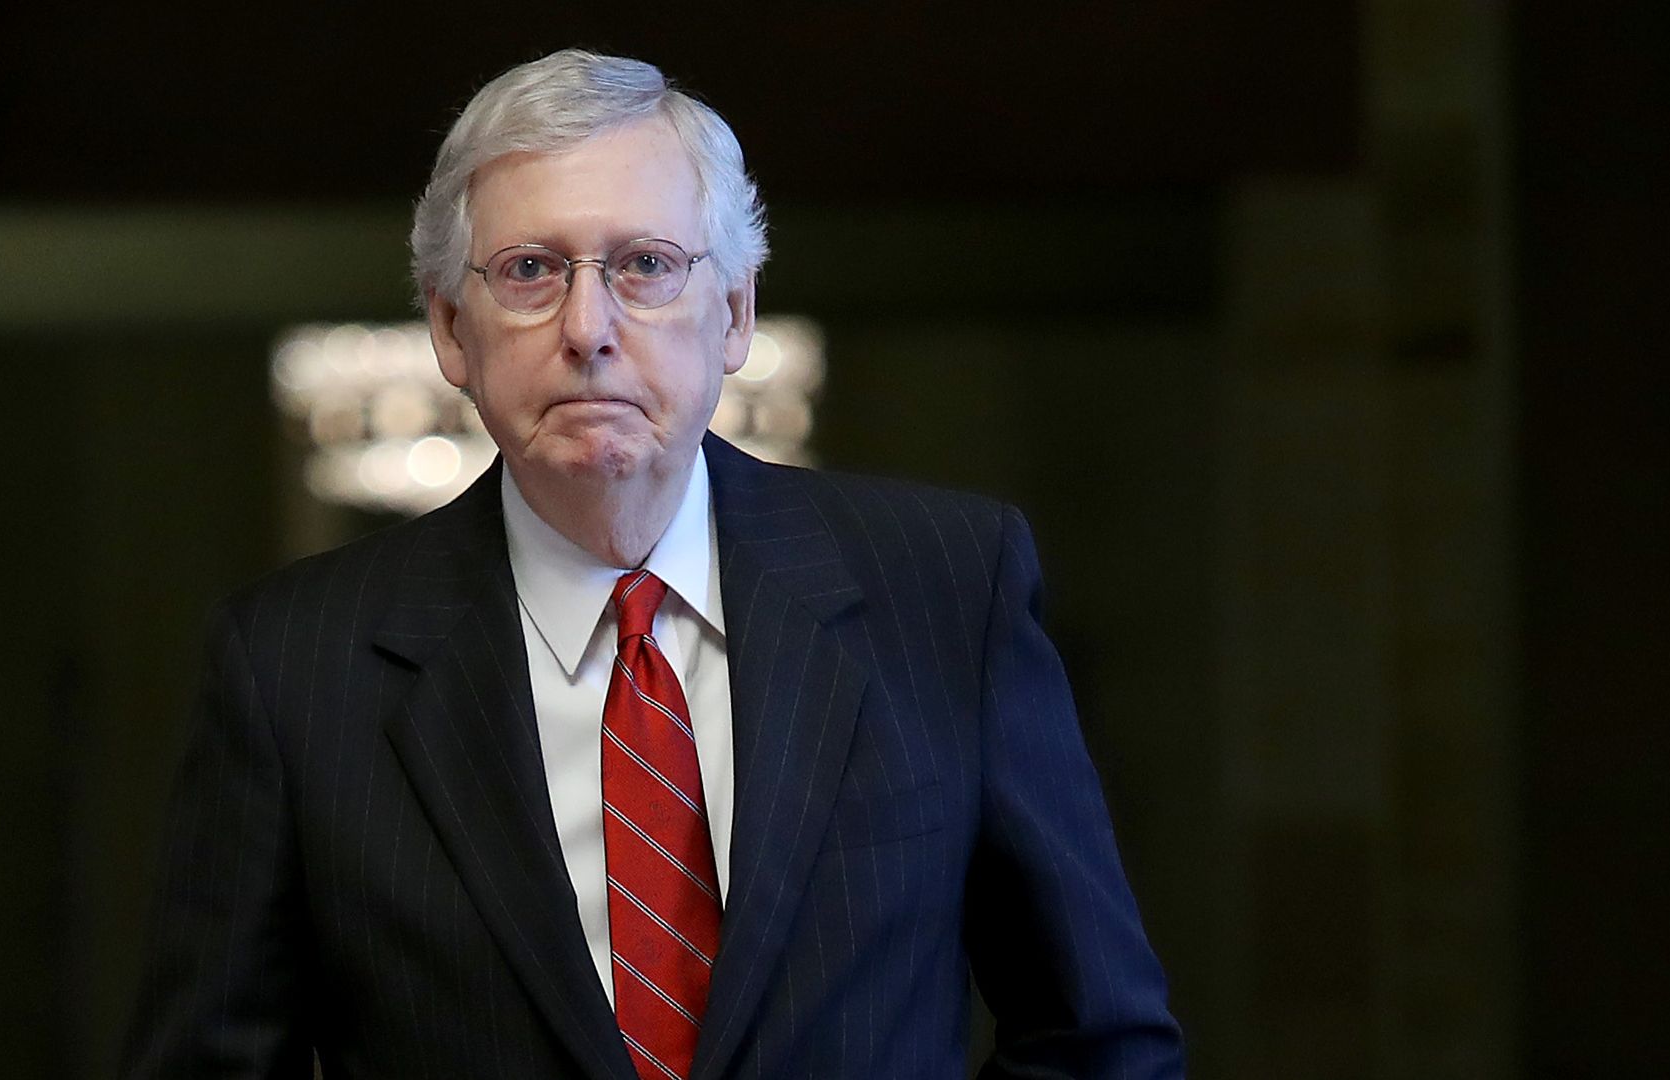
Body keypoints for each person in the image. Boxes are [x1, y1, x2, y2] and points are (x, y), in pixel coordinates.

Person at [121, 48, 1182, 1080]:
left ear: (734, 314)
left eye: (646, 266)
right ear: (451, 328)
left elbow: (1099, 1042)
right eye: (530, 271)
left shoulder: (949, 586)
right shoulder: (293, 667)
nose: (590, 328)